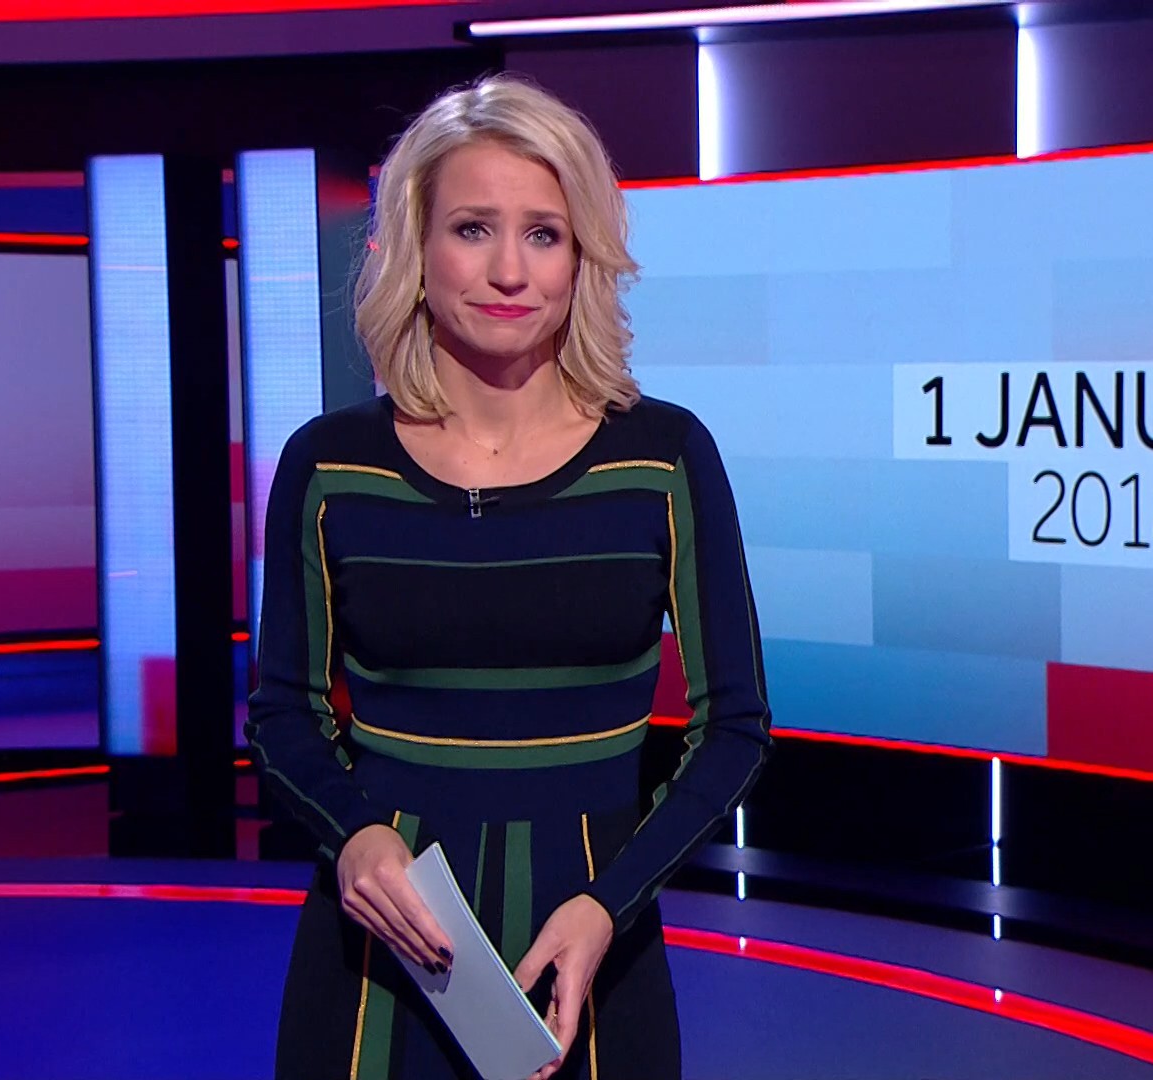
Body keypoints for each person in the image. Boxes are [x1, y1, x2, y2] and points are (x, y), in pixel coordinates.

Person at [245, 74, 771, 1080]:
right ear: (416, 246)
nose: (509, 271)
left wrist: (608, 903)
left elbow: (735, 727)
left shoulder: (663, 458)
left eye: (544, 234)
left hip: (595, 945)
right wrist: (354, 840)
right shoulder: (328, 467)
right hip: (378, 955)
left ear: (582, 258)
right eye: (473, 228)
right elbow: (282, 712)